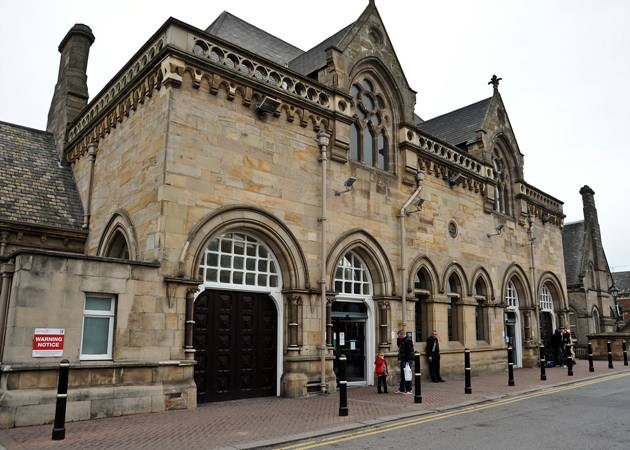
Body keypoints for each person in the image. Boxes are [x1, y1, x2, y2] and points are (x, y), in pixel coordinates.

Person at [396, 330, 414, 394]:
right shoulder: (401, 340)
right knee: (403, 375)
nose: (398, 337)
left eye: (398, 335)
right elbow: (400, 349)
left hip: (407, 360)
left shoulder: (408, 341)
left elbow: (409, 352)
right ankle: (402, 389)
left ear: (402, 335)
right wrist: (399, 359)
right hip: (403, 360)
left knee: (407, 374)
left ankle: (409, 389)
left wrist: (408, 361)